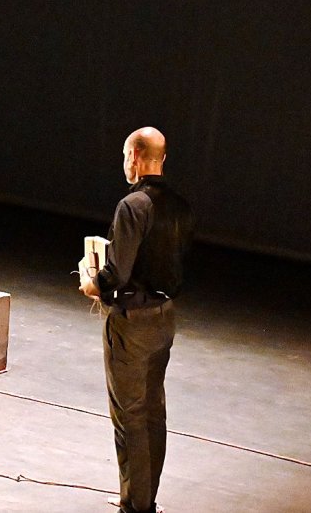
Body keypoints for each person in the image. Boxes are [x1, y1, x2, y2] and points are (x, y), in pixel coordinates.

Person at [78, 127, 194, 513]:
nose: (124, 163)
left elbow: (117, 274)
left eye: (125, 155)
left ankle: (137, 505)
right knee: (152, 412)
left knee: (129, 416)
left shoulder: (134, 205)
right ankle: (140, 496)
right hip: (164, 319)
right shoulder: (179, 205)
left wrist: (92, 283)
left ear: (136, 155)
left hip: (133, 322)